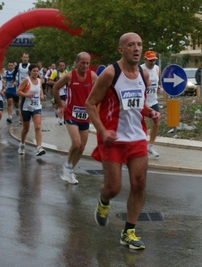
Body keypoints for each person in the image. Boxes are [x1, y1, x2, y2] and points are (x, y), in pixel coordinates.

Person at [85, 32, 161, 250]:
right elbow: (90, 103)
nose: (136, 48)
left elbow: (139, 104)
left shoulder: (144, 76)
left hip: (136, 138)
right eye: (131, 45)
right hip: (113, 139)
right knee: (113, 187)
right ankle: (104, 199)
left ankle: (129, 231)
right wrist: (102, 131)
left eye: (139, 44)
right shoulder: (110, 73)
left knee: (140, 184)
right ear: (121, 50)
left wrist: (151, 114)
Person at [53, 52, 97, 185]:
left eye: (87, 63)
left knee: (82, 147)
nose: (85, 65)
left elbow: (102, 88)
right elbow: (55, 88)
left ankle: (70, 170)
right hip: (71, 113)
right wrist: (61, 105)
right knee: (76, 143)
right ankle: (67, 165)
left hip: (85, 115)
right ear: (76, 63)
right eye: (82, 63)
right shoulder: (69, 76)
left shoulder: (93, 76)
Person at [16, 63, 45, 156]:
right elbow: (18, 91)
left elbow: (40, 89)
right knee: (26, 128)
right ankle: (22, 144)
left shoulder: (40, 81)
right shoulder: (26, 80)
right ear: (30, 72)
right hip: (26, 107)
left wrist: (41, 95)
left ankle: (39, 148)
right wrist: (26, 95)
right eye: (34, 71)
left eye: (37, 71)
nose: (36, 73)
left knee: (38, 126)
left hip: (36, 107)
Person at [140, 51, 162, 157]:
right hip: (142, 102)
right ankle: (139, 145)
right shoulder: (140, 69)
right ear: (145, 60)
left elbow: (155, 82)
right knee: (140, 125)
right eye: (150, 60)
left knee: (157, 122)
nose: (153, 62)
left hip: (153, 101)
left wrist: (157, 87)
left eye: (154, 60)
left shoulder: (157, 68)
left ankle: (151, 145)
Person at [48, 60, 67, 125]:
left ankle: (61, 119)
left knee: (62, 105)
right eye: (60, 66)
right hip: (57, 92)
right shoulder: (55, 72)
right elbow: (49, 81)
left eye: (63, 65)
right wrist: (58, 84)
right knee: (57, 106)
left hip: (64, 92)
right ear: (58, 66)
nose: (62, 67)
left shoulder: (66, 73)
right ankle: (56, 111)